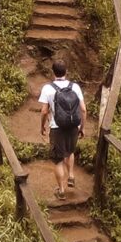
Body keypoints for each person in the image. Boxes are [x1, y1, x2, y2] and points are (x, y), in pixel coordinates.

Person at [38, 60, 85, 198]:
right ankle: (71, 176)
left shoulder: (48, 88)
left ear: (53, 72)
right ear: (66, 72)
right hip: (73, 126)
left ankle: (62, 191)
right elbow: (83, 109)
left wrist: (42, 126)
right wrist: (82, 127)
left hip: (57, 127)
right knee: (70, 151)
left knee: (58, 159)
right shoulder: (75, 87)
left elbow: (44, 111)